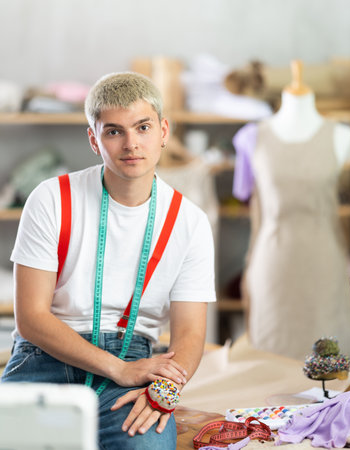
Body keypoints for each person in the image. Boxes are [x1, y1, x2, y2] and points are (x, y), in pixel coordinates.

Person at [1, 72, 216, 449]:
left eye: (143, 127)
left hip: (133, 360)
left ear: (163, 131)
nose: (131, 144)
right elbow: (31, 318)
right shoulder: (52, 198)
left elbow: (190, 334)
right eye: (114, 131)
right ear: (93, 138)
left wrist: (165, 388)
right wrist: (118, 367)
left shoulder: (190, 222)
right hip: (45, 357)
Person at [233, 61, 350, 361]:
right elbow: (245, 196)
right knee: (271, 367)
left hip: (324, 266)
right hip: (273, 264)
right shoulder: (252, 137)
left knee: (330, 367)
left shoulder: (343, 136)